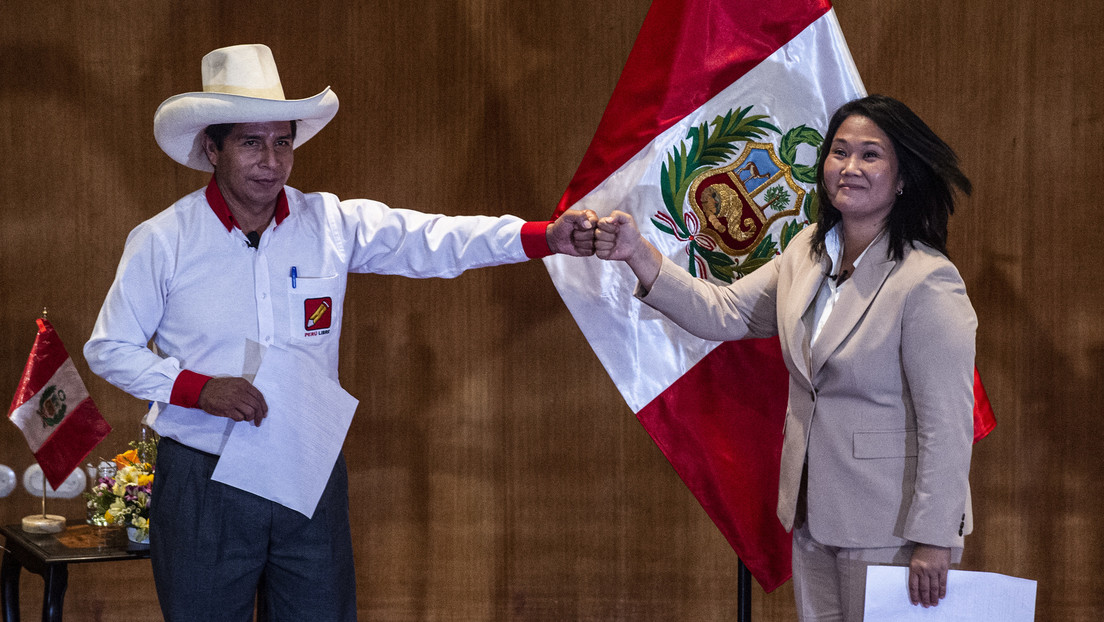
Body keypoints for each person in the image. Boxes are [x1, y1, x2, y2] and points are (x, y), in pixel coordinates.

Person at [83, 43, 596, 621]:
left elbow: (431, 240)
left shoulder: (328, 221)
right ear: (212, 147)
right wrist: (195, 388)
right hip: (204, 474)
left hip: (309, 466)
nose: (271, 161)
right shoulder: (163, 238)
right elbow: (109, 348)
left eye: (283, 142)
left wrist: (542, 237)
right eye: (251, 142)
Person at [593, 94, 976, 622]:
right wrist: (639, 253)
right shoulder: (807, 250)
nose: (850, 167)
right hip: (811, 512)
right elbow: (723, 312)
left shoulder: (926, 279)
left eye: (870, 155)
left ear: (903, 176)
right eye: (839, 152)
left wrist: (935, 539)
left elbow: (948, 423)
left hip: (892, 527)